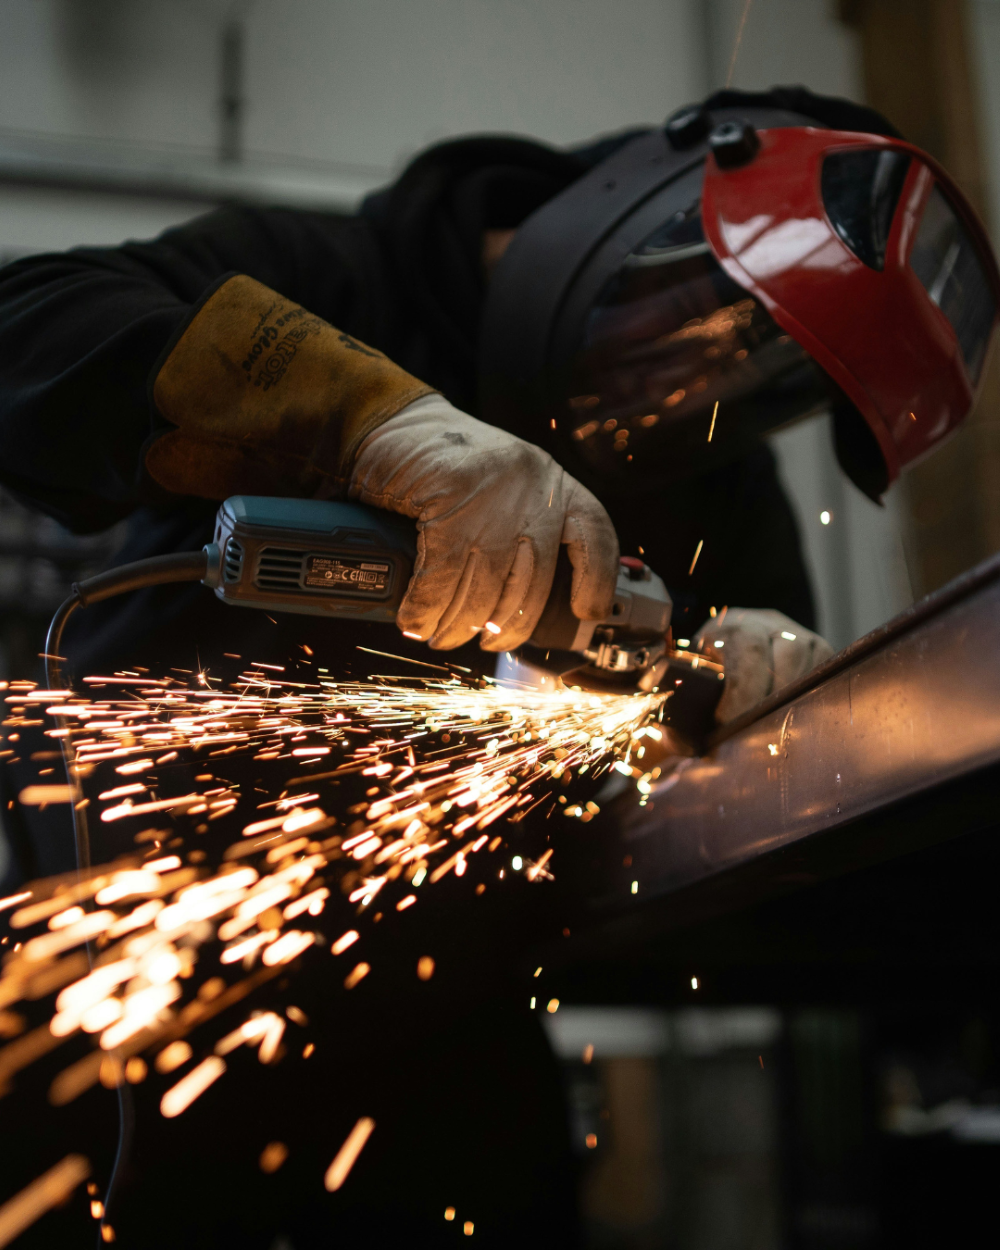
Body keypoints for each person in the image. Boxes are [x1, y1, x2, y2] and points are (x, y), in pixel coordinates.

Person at [0, 85, 996, 1247]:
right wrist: (371, 420)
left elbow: (740, 797)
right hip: (115, 970)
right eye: (705, 322)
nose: (698, 384)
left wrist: (748, 700)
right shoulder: (337, 273)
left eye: (764, 379)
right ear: (643, 202)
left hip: (440, 1013)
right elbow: (29, 325)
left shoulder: (712, 478)